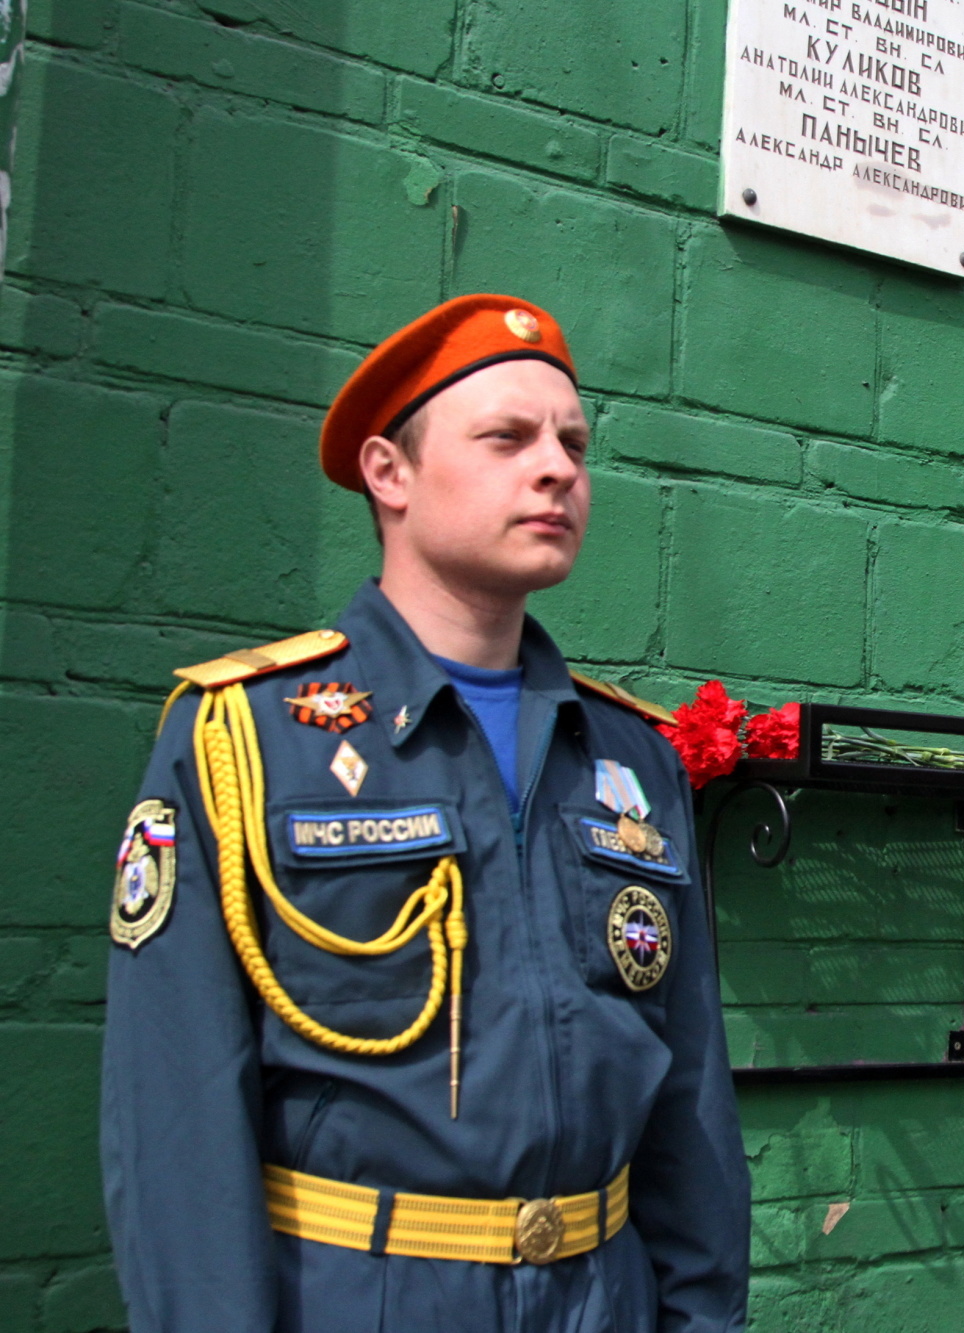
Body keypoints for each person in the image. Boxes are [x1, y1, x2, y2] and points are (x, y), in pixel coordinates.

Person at [100, 295, 750, 1333]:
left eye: (573, 443)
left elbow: (689, 1101)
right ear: (387, 473)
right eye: (506, 437)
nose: (557, 469)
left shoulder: (630, 758)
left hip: (603, 1299)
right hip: (368, 1296)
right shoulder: (246, 739)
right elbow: (176, 1117)